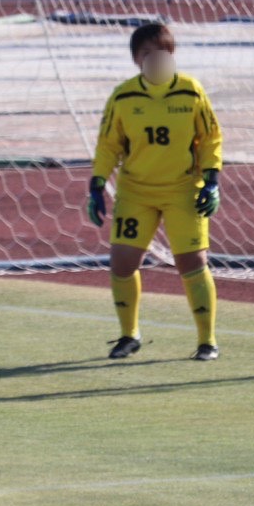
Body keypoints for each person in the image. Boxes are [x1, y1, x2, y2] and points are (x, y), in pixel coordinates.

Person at [85, 22, 224, 361]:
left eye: (161, 53)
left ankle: (207, 341)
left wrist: (212, 180)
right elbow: (108, 146)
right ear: (137, 60)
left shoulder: (190, 92)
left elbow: (210, 139)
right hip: (136, 192)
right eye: (147, 54)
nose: (155, 59)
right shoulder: (123, 96)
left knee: (192, 262)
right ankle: (128, 335)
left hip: (181, 189)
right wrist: (97, 184)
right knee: (121, 262)